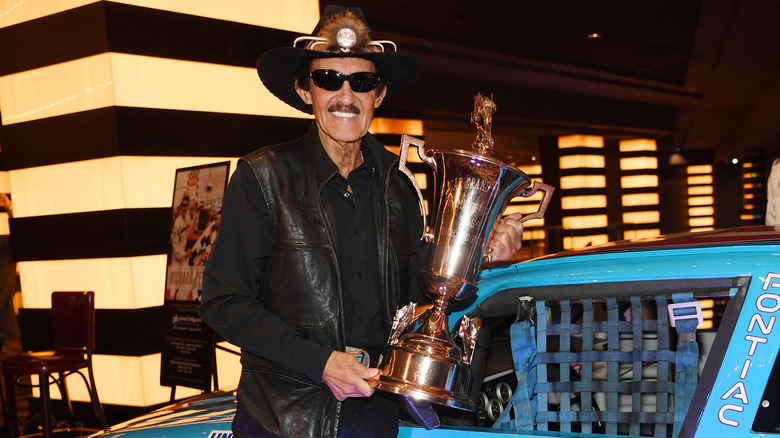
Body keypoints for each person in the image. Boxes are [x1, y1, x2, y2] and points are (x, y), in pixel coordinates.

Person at [199, 6, 525, 437]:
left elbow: (418, 293)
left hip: (375, 413)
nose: (346, 95)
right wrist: (322, 364)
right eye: (328, 79)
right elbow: (224, 304)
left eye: (362, 81)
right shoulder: (263, 177)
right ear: (304, 90)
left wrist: (481, 255)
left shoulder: (400, 186)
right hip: (284, 419)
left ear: (379, 95)